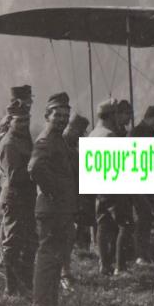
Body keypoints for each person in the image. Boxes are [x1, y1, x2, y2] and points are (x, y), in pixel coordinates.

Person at [28, 92, 77, 306]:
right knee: (48, 257)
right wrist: (55, 191)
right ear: (47, 115)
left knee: (56, 257)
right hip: (51, 208)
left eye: (66, 115)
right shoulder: (47, 138)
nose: (62, 119)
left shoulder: (58, 137)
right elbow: (35, 167)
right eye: (57, 115)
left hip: (58, 208)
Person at [0, 99, 37, 296]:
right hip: (15, 198)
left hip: (25, 198)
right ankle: (11, 288)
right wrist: (37, 171)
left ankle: (25, 284)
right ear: (10, 121)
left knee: (30, 242)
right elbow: (15, 176)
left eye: (26, 120)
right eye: (19, 121)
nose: (24, 124)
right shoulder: (10, 144)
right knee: (13, 244)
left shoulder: (22, 139)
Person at [91, 99, 133, 275]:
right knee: (126, 224)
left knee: (103, 224)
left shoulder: (93, 134)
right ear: (111, 115)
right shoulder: (109, 136)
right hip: (113, 187)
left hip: (99, 188)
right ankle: (120, 267)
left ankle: (104, 264)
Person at [128, 106, 154, 264]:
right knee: (143, 219)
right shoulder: (137, 133)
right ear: (148, 118)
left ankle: (144, 251)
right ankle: (140, 254)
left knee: (147, 219)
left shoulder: (147, 132)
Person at [61, 113, 90, 290]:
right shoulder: (62, 147)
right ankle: (63, 274)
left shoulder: (71, 147)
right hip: (62, 200)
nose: (82, 136)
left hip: (71, 200)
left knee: (68, 237)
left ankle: (65, 271)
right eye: (80, 132)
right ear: (71, 129)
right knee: (63, 238)